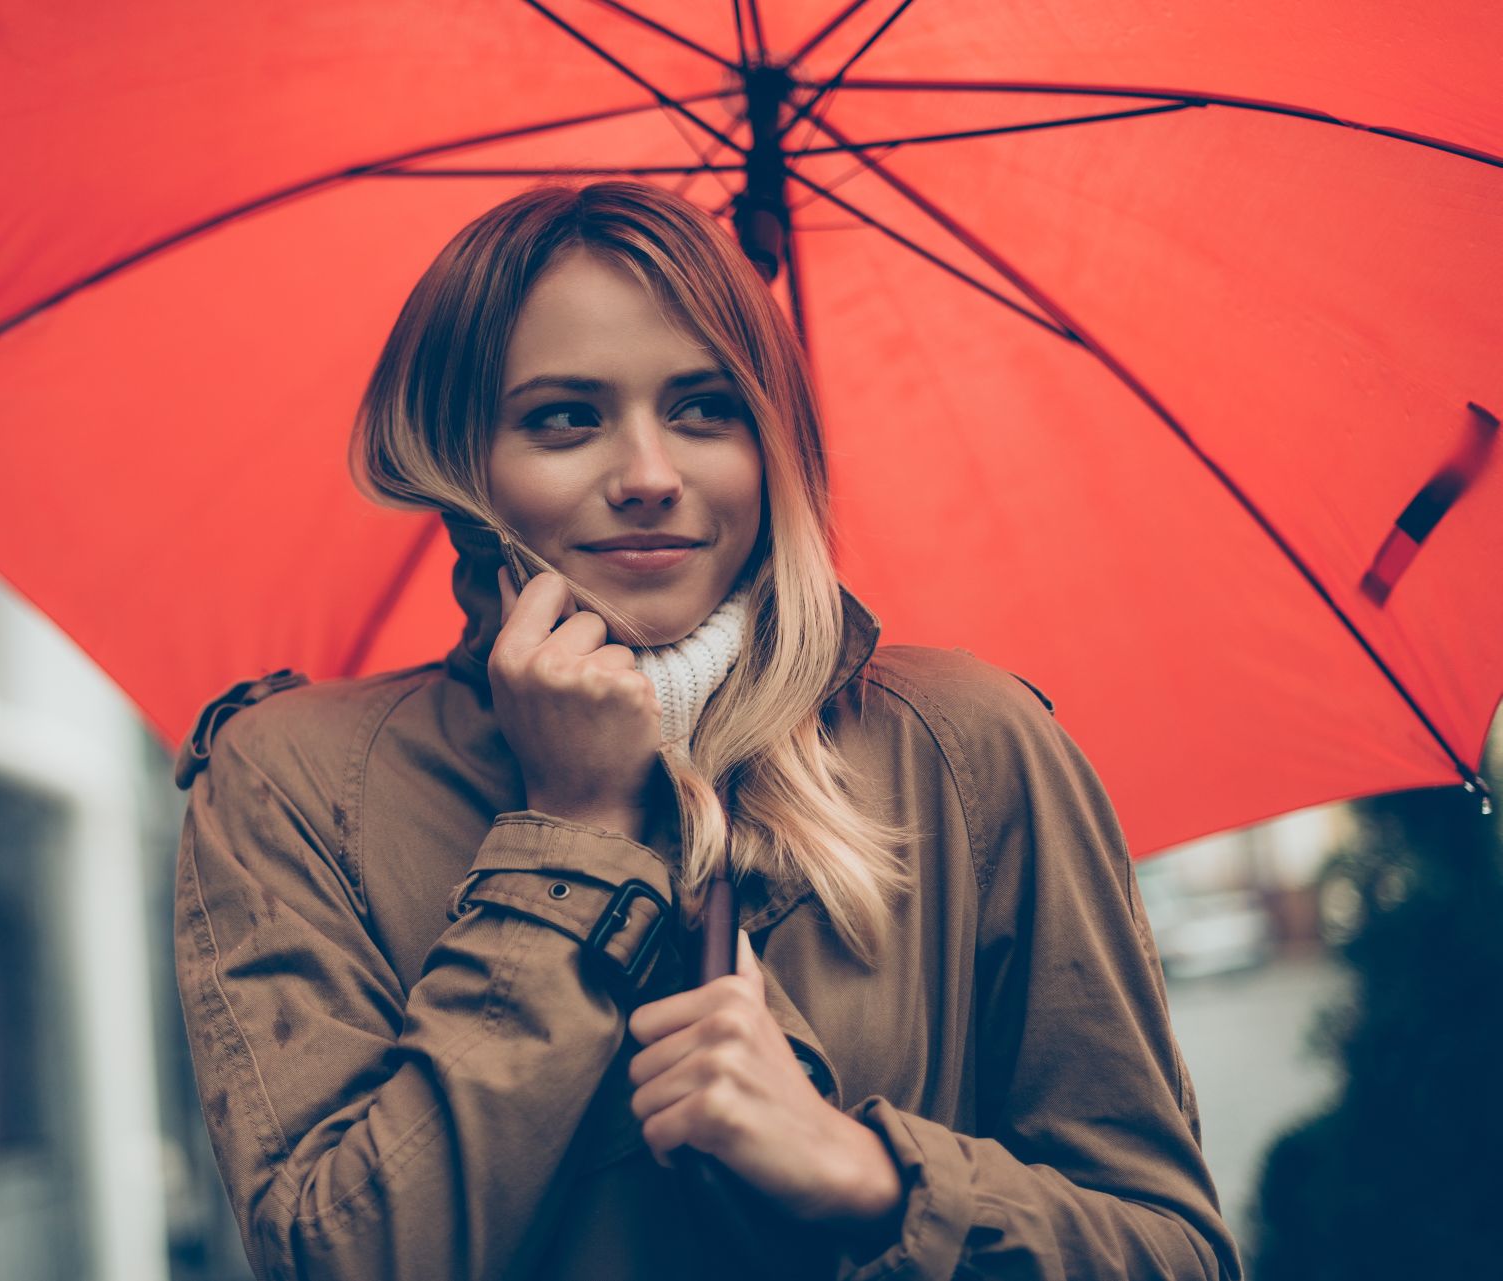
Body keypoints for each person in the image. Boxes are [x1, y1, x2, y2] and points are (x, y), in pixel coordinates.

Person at [171, 179, 1243, 1280]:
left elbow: (1172, 1252)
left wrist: (871, 1176)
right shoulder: (298, 783)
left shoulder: (966, 749)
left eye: (704, 409)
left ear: (770, 443)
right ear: (460, 462)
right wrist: (574, 835)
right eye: (565, 418)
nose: (649, 476)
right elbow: (345, 1257)